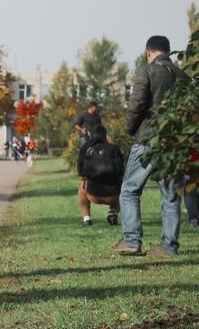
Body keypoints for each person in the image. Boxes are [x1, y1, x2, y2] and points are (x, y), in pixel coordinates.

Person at [111, 35, 190, 256]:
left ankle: (132, 241)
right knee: (171, 195)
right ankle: (169, 247)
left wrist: (129, 129)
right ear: (168, 51)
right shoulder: (182, 76)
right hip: (174, 142)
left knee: (129, 190)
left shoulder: (147, 72)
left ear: (148, 52)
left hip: (147, 139)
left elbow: (136, 105)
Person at [77, 125, 123, 226]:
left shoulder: (86, 148)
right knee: (122, 185)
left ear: (91, 135)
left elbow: (81, 175)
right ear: (106, 135)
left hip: (93, 195)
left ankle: (86, 218)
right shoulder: (114, 148)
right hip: (114, 196)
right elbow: (121, 171)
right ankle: (113, 212)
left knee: (82, 185)